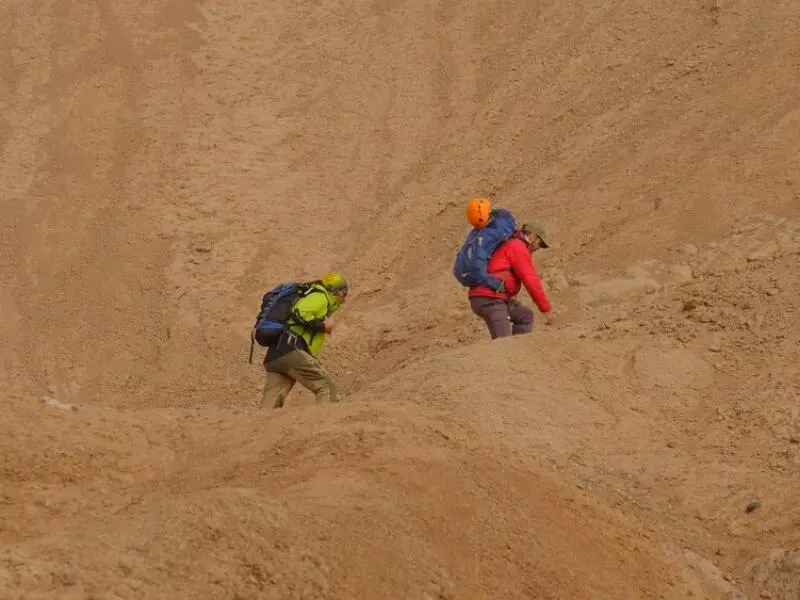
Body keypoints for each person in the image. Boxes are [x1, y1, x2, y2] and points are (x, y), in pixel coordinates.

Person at [261, 272, 349, 409]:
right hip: (291, 349)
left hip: (276, 355)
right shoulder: (321, 296)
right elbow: (299, 313)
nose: (344, 299)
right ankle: (326, 428)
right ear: (337, 292)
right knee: (326, 386)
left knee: (271, 402)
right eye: (345, 294)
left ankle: (259, 429)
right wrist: (323, 326)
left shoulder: (313, 295)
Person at [467, 221, 553, 339]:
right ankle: (507, 354)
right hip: (489, 298)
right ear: (533, 236)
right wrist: (546, 309)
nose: (539, 248)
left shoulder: (512, 244)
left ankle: (518, 351)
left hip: (495, 297)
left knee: (525, 316)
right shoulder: (517, 247)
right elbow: (530, 280)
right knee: (504, 343)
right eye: (540, 243)